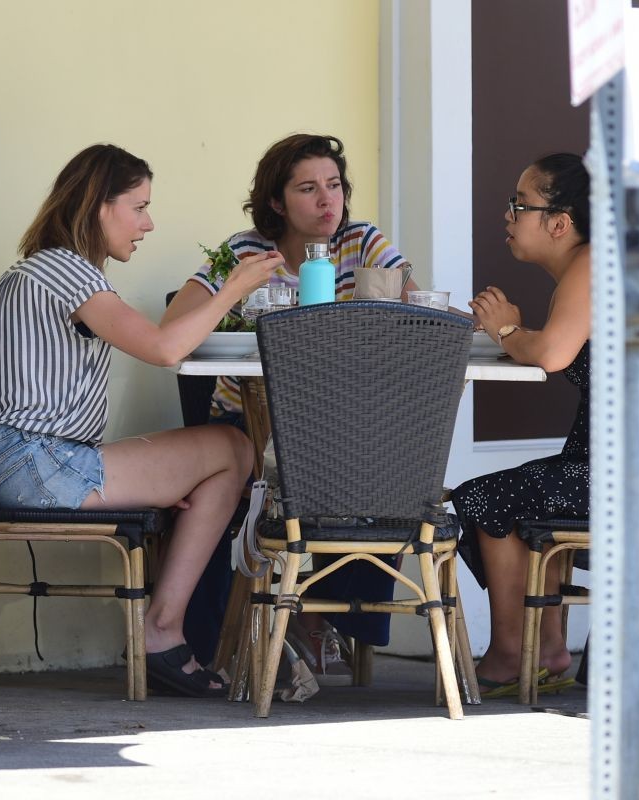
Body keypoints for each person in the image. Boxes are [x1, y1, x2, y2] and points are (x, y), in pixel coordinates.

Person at [0, 144, 278, 698]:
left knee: (224, 456)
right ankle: (162, 632)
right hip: (36, 467)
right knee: (232, 449)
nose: (148, 223)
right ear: (97, 206)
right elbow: (163, 348)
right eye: (139, 207)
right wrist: (234, 288)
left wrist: (160, 480)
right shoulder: (65, 270)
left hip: (31, 461)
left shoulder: (49, 269)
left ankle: (165, 628)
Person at [452, 153, 639, 696]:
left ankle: (515, 653)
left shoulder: (598, 263)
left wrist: (508, 331)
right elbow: (554, 346)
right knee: (509, 495)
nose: (507, 215)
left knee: (489, 498)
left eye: (519, 204)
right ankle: (545, 649)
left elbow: (552, 353)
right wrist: (511, 333)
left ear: (559, 222)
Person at [163, 133, 418, 674]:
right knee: (234, 491)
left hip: (338, 424)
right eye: (308, 188)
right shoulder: (245, 250)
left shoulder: (363, 243)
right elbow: (171, 329)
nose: (329, 200)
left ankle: (320, 618)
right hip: (248, 425)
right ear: (277, 201)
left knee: (381, 474)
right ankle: (210, 648)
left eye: (335, 186)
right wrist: (232, 291)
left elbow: (415, 320)